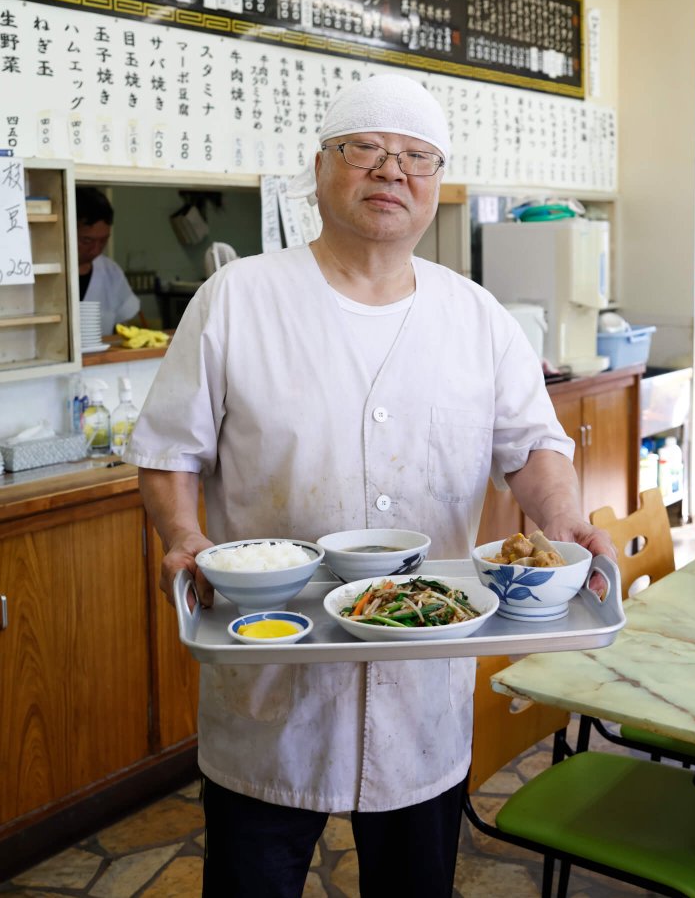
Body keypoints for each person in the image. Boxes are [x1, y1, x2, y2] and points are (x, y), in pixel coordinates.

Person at [126, 74, 617, 898]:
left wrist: (568, 524)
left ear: (436, 185)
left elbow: (533, 446)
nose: (392, 172)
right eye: (366, 150)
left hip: (423, 671)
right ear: (320, 168)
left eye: (418, 158)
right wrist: (183, 534)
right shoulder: (238, 299)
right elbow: (169, 452)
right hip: (270, 669)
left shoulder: (477, 317)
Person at [76, 186, 141, 336]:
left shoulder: (111, 272)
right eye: (86, 240)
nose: (96, 249)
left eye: (103, 241)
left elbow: (127, 324)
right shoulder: (48, 271)